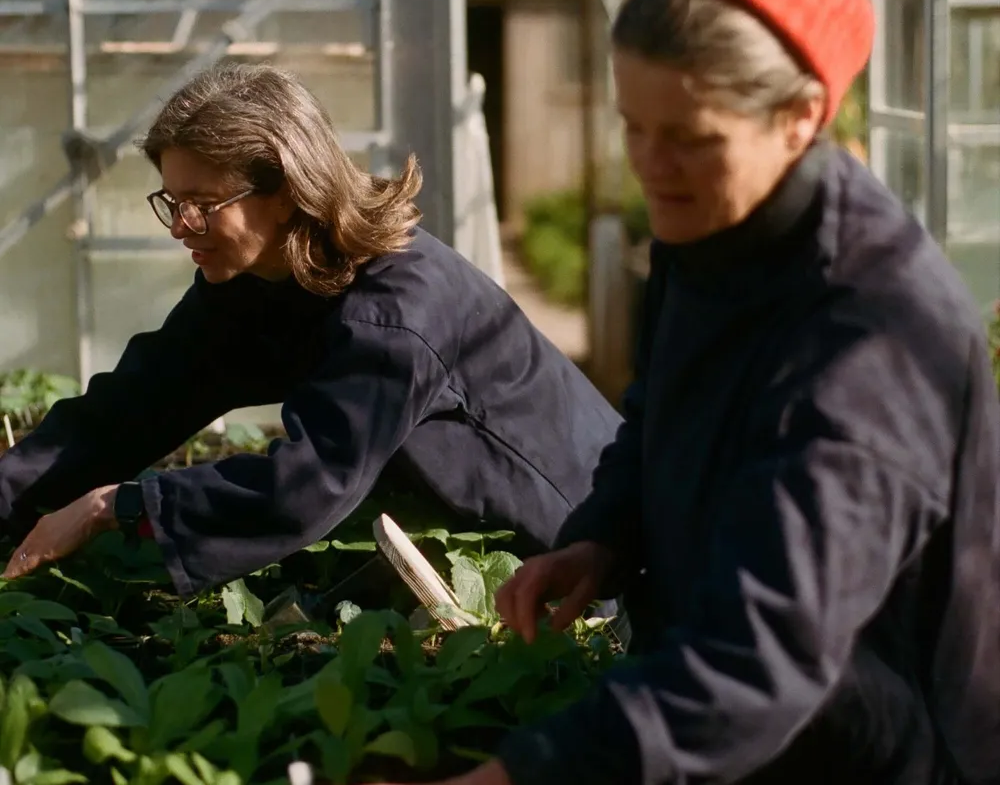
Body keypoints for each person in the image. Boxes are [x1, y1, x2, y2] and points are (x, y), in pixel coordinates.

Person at [384, 0, 1000, 785]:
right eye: (635, 127)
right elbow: (658, 411)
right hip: (744, 724)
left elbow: (766, 659)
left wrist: (521, 774)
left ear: (802, 116)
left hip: (883, 746)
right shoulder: (710, 223)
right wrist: (603, 539)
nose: (652, 166)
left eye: (691, 138)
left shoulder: (876, 334)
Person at [0, 63, 623, 598]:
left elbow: (306, 485)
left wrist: (115, 507)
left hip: (585, 556)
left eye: (201, 205)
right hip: (464, 538)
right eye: (170, 201)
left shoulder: (396, 309)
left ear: (285, 189)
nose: (179, 226)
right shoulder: (253, 284)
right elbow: (131, 408)